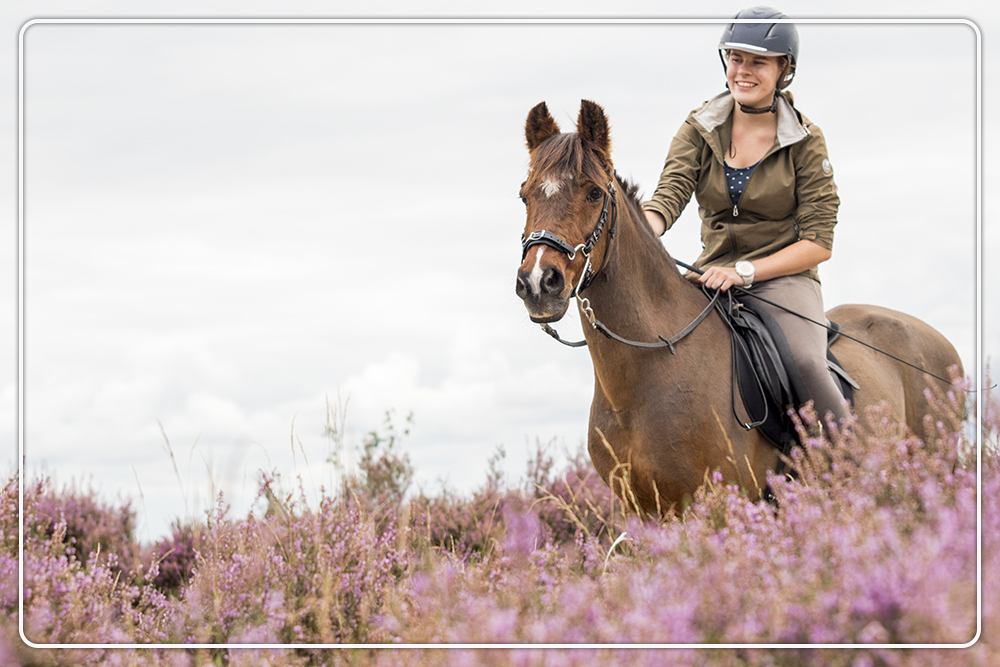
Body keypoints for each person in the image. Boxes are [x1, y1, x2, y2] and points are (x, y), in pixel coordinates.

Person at [641, 6, 850, 427]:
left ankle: (852, 466)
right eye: (736, 58)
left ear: (783, 68)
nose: (743, 71)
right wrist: (639, 230)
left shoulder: (806, 142)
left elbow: (818, 244)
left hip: (784, 280)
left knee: (808, 363)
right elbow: (669, 196)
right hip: (711, 275)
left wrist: (745, 271)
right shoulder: (699, 127)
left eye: (758, 61)